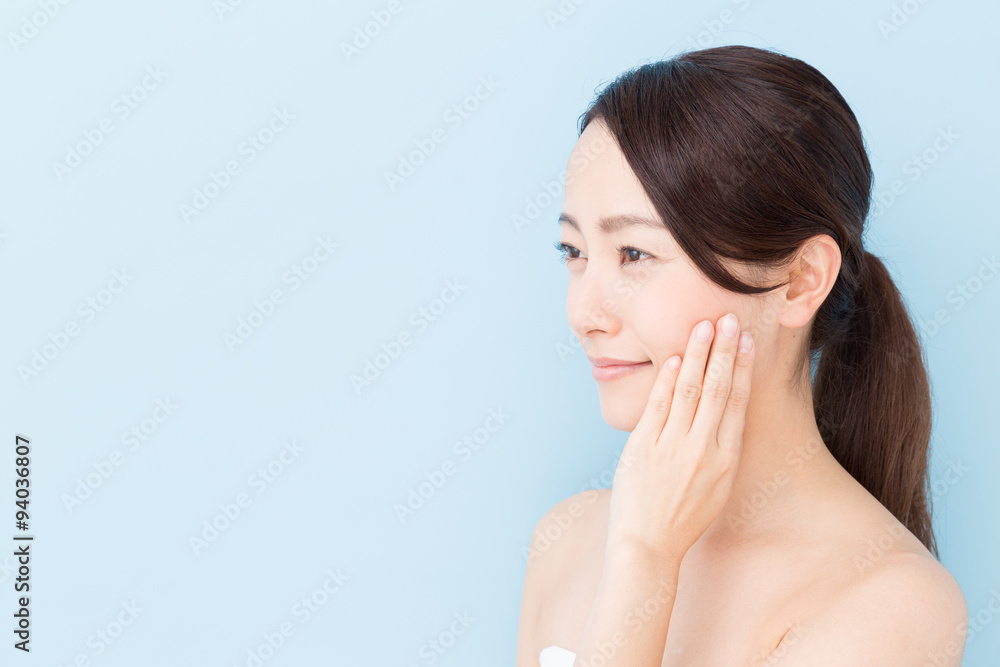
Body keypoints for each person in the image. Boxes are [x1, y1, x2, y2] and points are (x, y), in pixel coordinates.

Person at [516, 44, 968, 666]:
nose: (584, 314)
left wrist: (647, 560)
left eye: (635, 254)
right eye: (574, 252)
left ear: (801, 280)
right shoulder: (565, 539)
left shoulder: (891, 604)